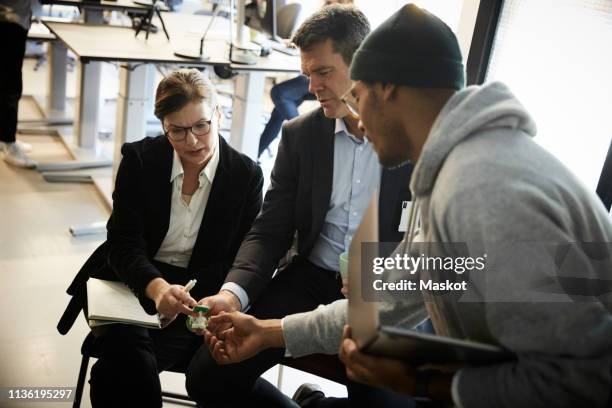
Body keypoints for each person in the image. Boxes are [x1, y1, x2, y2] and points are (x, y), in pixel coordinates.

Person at [204, 4, 612, 407]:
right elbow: (393, 298)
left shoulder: (481, 189)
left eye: (359, 96)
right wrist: (268, 331)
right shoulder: (461, 169)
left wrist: (425, 382)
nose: (358, 121)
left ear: (388, 89)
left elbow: (577, 381)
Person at [186, 4, 414, 407]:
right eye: (307, 73)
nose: (310, 87)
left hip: (379, 294)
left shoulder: (415, 141)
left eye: (323, 72)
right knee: (207, 377)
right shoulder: (301, 135)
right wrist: (232, 295)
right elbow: (270, 228)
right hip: (311, 278)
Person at [56, 68, 264, 407]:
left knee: (119, 370)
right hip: (131, 278)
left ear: (218, 115)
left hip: (199, 293)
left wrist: (189, 301)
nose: (192, 141)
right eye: (177, 131)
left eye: (201, 126)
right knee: (131, 357)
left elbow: (236, 258)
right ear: (164, 127)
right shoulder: (140, 160)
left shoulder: (246, 176)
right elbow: (122, 244)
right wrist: (157, 290)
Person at [257, 0, 354, 159]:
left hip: (320, 71)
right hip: (313, 69)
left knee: (280, 93)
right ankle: (255, 154)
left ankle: (306, 138)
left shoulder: (345, 18)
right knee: (280, 109)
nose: (312, 87)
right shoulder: (326, 10)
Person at [0, 0, 36, 168]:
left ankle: (5, 138)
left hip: (14, 17)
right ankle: (8, 142)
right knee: (10, 85)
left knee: (8, 82)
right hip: (9, 19)